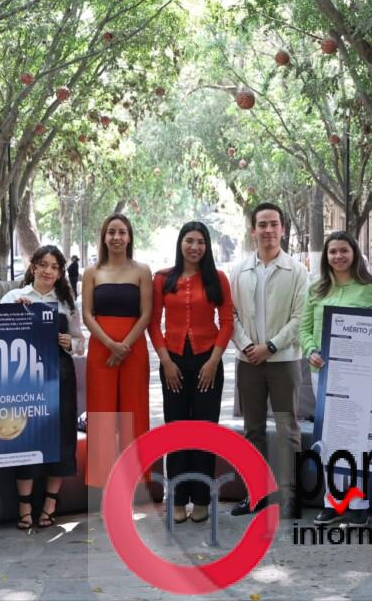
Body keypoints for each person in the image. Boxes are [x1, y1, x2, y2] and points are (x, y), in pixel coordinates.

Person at [149, 222, 234, 524]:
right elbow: (152, 323)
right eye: (189, 240)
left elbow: (227, 322)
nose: (195, 247)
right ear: (180, 243)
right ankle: (177, 498)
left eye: (200, 242)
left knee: (205, 432)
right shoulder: (163, 278)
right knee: (175, 431)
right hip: (172, 362)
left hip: (208, 361)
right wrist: (166, 361)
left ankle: (201, 499)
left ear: (207, 246)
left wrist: (213, 362)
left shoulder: (217, 278)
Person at [230, 202, 309, 519]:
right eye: (262, 224)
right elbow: (230, 315)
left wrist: (271, 346)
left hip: (284, 361)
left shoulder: (297, 271)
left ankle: (291, 497)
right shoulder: (239, 270)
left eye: (274, 224)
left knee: (288, 428)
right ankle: (257, 495)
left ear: (283, 229)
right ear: (253, 230)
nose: (268, 230)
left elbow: (301, 317)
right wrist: (249, 346)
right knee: (253, 430)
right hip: (248, 361)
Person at [299, 231, 372, 527]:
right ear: (326, 256)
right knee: (330, 438)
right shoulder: (316, 289)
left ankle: (359, 503)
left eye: (343, 250)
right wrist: (310, 350)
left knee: (358, 437)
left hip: (359, 375)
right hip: (323, 374)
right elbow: (304, 329)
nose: (338, 256)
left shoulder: (370, 290)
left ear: (354, 253)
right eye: (333, 251)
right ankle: (333, 502)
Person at [1, 245, 84, 530]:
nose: (48, 271)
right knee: (27, 439)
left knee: (61, 440)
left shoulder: (67, 304)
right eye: (44, 265)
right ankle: (24, 507)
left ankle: (50, 505)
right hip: (25, 381)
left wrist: (70, 343)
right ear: (33, 267)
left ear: (60, 273)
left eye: (55, 267)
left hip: (60, 377)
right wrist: (14, 314)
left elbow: (80, 343)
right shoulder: (14, 297)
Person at [81, 214, 152, 491]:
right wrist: (111, 344)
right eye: (111, 232)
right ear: (104, 237)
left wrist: (124, 346)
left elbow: (146, 314)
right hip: (101, 347)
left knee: (134, 412)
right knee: (102, 415)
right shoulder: (92, 272)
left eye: (122, 232)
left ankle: (135, 483)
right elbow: (87, 314)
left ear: (130, 237)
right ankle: (101, 484)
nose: (116, 237)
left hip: (134, 348)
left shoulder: (142, 271)